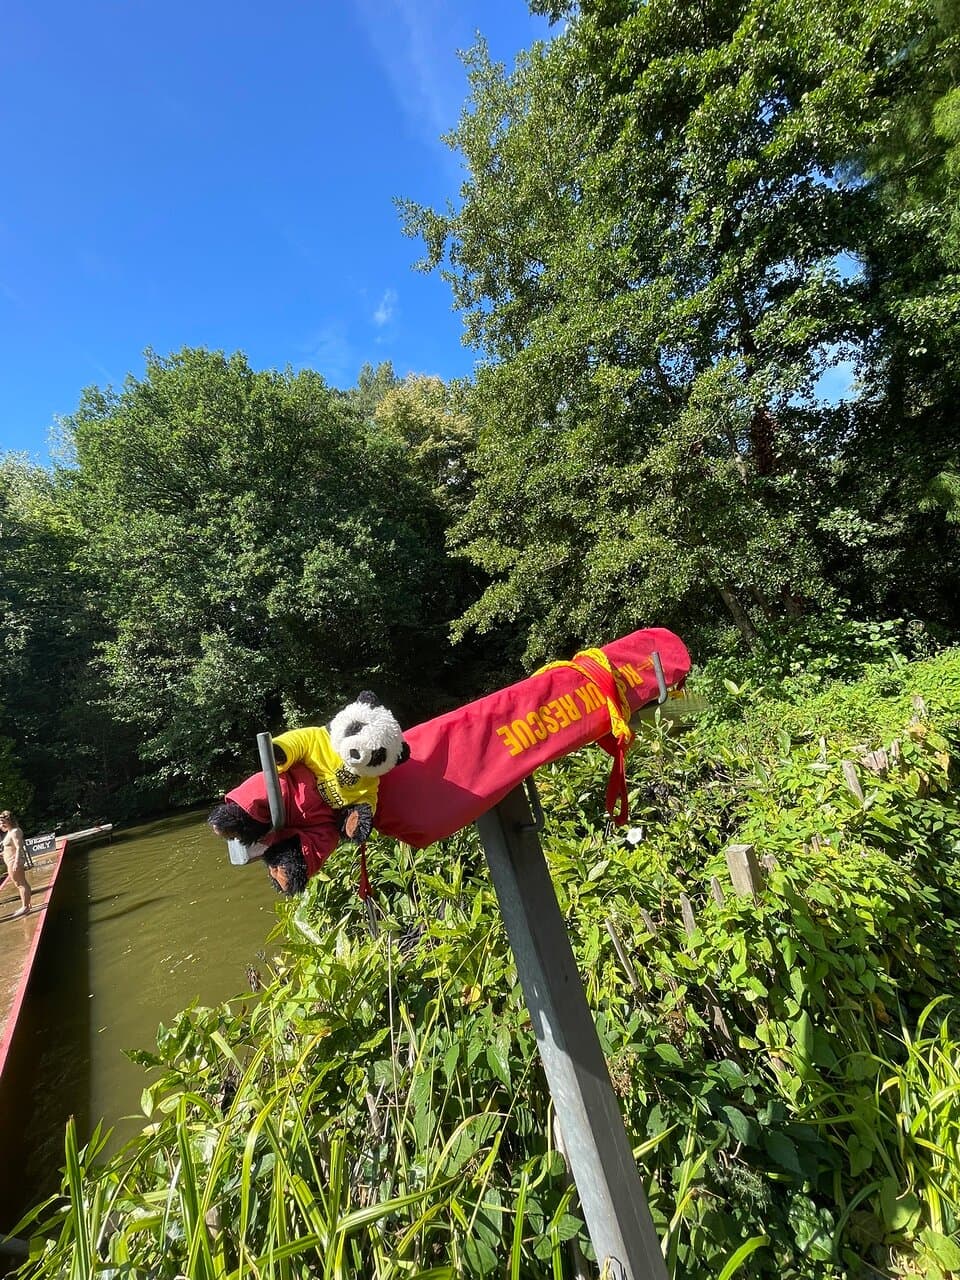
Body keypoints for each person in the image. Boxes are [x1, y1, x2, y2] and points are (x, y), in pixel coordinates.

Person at [1, 810, 31, 918]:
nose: (1, 824)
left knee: (21, 883)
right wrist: (3, 853)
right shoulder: (9, 832)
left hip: (14, 861)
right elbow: (10, 847)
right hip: (11, 860)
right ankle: (27, 904)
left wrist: (16, 862)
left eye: (3, 822)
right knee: (19, 883)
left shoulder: (15, 831)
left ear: (10, 821)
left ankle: (25, 907)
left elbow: (19, 847)